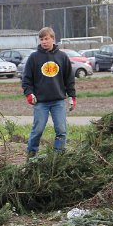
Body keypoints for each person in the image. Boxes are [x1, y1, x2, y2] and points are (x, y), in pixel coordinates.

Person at [22, 27, 77, 158]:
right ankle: (31, 154)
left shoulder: (62, 57)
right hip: (41, 102)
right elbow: (26, 80)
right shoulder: (34, 58)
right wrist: (29, 94)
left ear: (53, 39)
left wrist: (72, 96)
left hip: (58, 101)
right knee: (38, 130)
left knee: (61, 131)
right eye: (41, 39)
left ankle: (58, 156)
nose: (44, 42)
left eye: (46, 39)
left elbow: (69, 78)